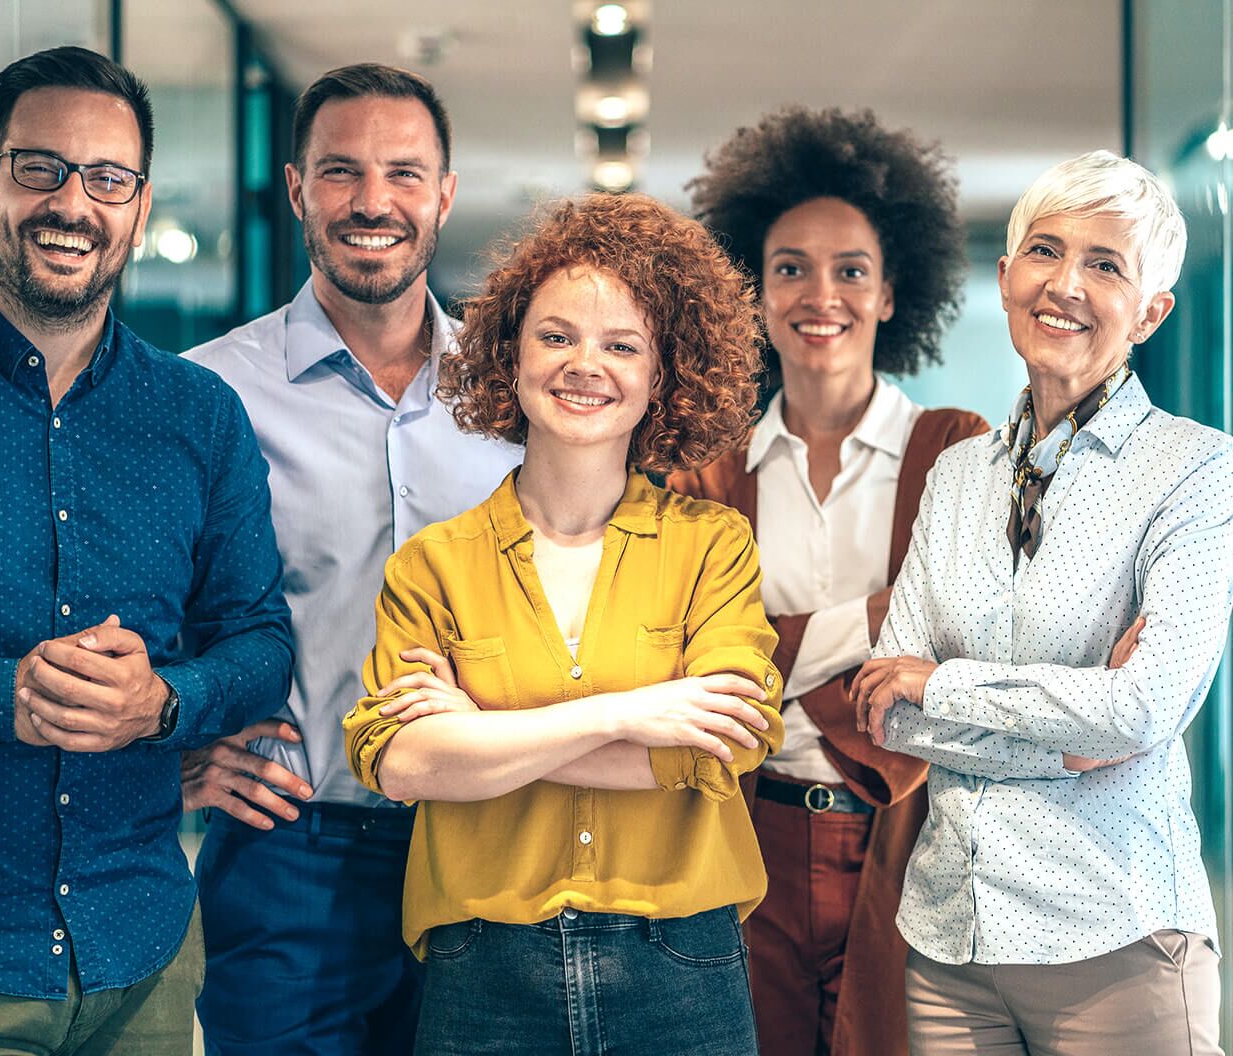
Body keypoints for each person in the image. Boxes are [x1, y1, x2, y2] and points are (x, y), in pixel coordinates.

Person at [0, 46, 293, 1054]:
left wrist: (161, 702)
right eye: (42, 168)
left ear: (139, 202)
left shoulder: (200, 417)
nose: (73, 203)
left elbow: (257, 637)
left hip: (144, 947)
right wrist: (1, 701)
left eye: (107, 178)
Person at [344, 192, 785, 1055]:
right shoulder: (434, 564)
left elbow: (720, 742)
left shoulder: (713, 546)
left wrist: (484, 740)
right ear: (509, 357)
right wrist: (624, 715)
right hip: (484, 971)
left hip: (680, 965)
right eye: (556, 336)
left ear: (662, 378)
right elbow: (402, 763)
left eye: (623, 345)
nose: (587, 364)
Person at [854, 149, 1228, 1056]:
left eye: (1106, 265)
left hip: (1117, 940)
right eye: (1046, 251)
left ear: (1152, 312)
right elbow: (882, 711)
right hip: (951, 945)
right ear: (1006, 276)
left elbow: (1141, 708)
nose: (1066, 284)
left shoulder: (1196, 472)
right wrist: (1072, 738)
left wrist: (939, 685)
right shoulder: (953, 476)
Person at [182, 64, 520, 1056]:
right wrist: (176, 758)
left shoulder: (515, 404)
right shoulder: (210, 397)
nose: (373, 201)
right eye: (341, 172)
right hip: (291, 854)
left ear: (444, 195)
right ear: (295, 189)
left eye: (404, 173)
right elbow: (139, 602)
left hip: (484, 847)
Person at [671, 107, 985, 1056]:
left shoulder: (955, 451)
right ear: (753, 294)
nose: (822, 293)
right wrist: (885, 629)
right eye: (790, 268)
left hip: (911, 840)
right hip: (746, 841)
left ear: (890, 293)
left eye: (851, 268)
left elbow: (970, 632)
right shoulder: (706, 470)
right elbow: (687, 655)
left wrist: (767, 649)